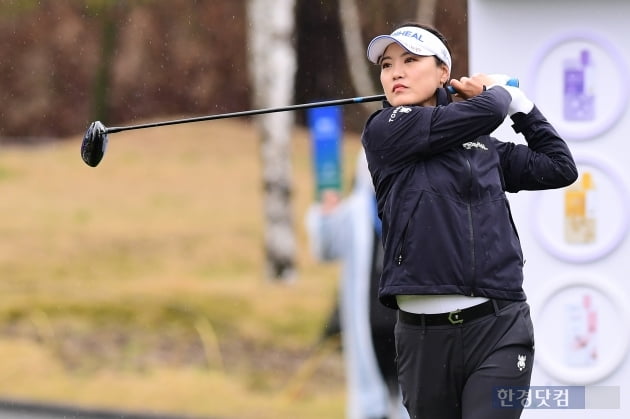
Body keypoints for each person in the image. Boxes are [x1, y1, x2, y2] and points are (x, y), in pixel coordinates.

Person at [361, 22, 578, 419]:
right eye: (388, 65)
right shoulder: (385, 131)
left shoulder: (484, 147)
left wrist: (524, 107)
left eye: (410, 60)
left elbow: (559, 167)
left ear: (442, 72)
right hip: (422, 338)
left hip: (499, 328)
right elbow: (488, 109)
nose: (396, 72)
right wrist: (501, 93)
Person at [306, 150, 409, 419]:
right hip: (369, 326)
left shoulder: (414, 205)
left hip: (406, 325)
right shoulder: (355, 212)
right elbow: (326, 248)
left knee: (411, 396)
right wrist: (325, 215)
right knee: (371, 400)